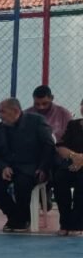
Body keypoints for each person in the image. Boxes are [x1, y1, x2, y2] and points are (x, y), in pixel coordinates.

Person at [0, 97, 55, 232]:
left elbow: (49, 146)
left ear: (16, 111)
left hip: (33, 167)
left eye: (2, 112)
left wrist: (43, 168)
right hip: (9, 168)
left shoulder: (37, 122)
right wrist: (3, 167)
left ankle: (21, 220)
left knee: (22, 185)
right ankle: (16, 217)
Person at [53, 98, 83, 235]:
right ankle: (65, 223)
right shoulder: (73, 124)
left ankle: (77, 224)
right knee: (60, 178)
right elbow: (61, 146)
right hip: (72, 164)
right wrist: (74, 156)